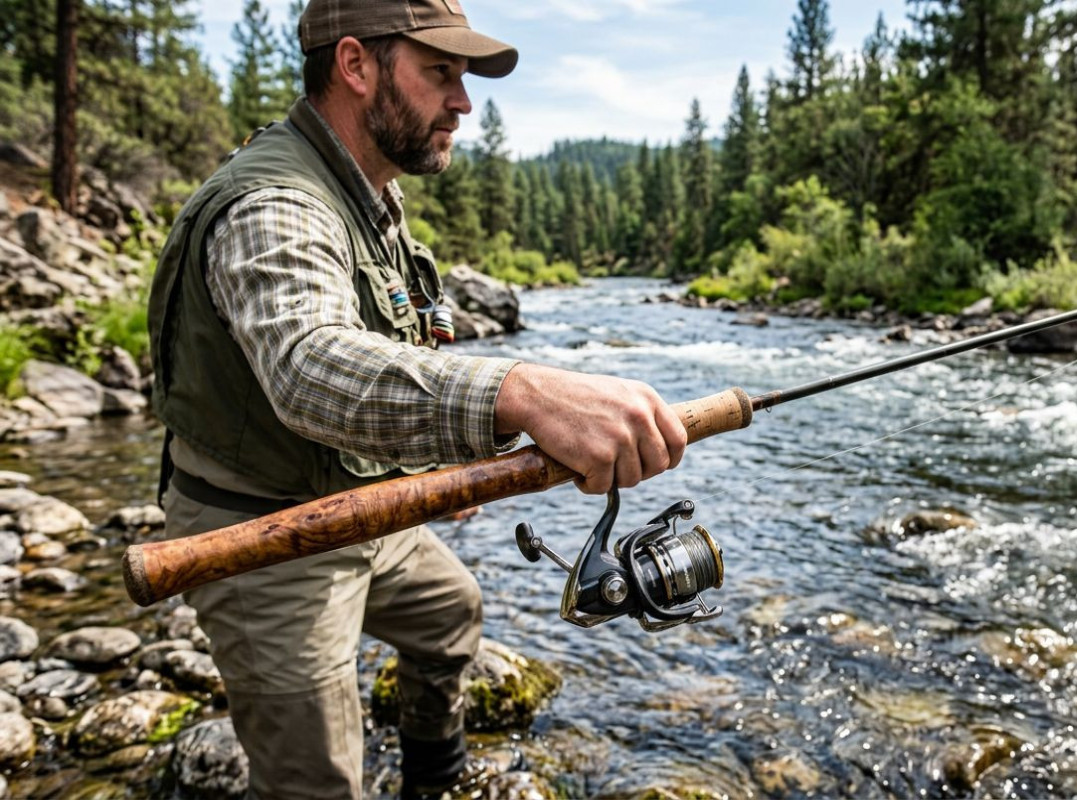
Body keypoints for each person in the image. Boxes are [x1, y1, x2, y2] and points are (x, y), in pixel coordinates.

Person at [146, 1, 688, 797]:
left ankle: (432, 780)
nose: (464, 104)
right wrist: (521, 391)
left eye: (463, 79)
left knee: (450, 615)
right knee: (317, 783)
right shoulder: (273, 206)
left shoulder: (370, 197)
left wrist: (440, 456)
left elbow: (385, 353)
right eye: (441, 73)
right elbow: (306, 365)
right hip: (257, 532)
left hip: (363, 505)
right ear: (357, 66)